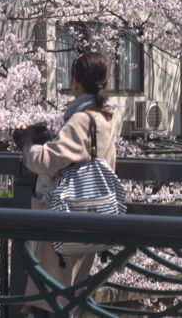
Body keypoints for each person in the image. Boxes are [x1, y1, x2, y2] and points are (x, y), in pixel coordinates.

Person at [12, 52, 118, 318]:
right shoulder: (106, 118)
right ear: (105, 84)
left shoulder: (82, 120)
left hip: (66, 222)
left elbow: (46, 161)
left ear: (74, 83)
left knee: (47, 301)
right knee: (69, 301)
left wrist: (26, 143)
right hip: (93, 221)